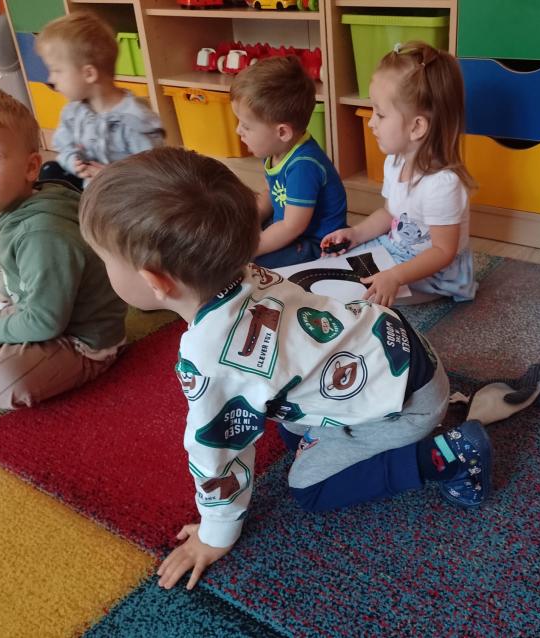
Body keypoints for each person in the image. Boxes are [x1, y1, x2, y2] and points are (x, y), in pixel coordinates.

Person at [78, 147, 493, 591]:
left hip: (405, 407)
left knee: (309, 489)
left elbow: (217, 453)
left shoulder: (209, 359)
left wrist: (216, 534)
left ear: (155, 281)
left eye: (106, 261)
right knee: (287, 429)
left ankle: (448, 456)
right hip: (397, 349)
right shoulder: (247, 272)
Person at [0, 84, 127, 408]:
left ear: (31, 167)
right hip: (39, 311)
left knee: (4, 380)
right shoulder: (5, 208)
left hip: (81, 342)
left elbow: (46, 322)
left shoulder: (42, 233)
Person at [320, 42, 477, 307]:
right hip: (397, 249)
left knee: (362, 295)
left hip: (437, 271)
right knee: (331, 265)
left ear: (417, 127)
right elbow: (389, 213)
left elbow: (443, 252)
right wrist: (355, 233)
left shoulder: (442, 185)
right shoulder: (395, 161)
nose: (371, 123)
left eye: (380, 114)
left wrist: (395, 276)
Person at [230, 55, 347, 268]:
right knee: (233, 226)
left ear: (282, 132)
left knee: (252, 265)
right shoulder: (275, 149)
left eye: (246, 126)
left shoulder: (303, 166)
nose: (238, 130)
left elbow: (292, 227)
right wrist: (251, 219)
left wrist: (248, 249)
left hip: (315, 243)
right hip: (288, 223)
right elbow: (271, 193)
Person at [35, 11, 164, 187]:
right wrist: (73, 161)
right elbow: (63, 145)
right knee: (50, 171)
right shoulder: (73, 111)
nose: (51, 79)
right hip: (90, 186)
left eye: (57, 71)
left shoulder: (135, 120)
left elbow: (154, 173)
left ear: (89, 74)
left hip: (125, 192)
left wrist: (110, 175)